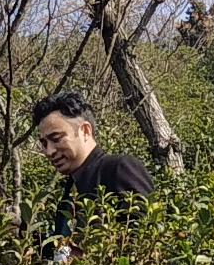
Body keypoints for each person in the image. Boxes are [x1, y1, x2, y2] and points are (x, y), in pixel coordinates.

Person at [29, 90, 154, 243]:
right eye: (44, 143)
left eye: (56, 138)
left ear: (85, 131)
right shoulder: (71, 186)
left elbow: (146, 238)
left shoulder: (118, 169)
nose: (49, 151)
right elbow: (64, 249)